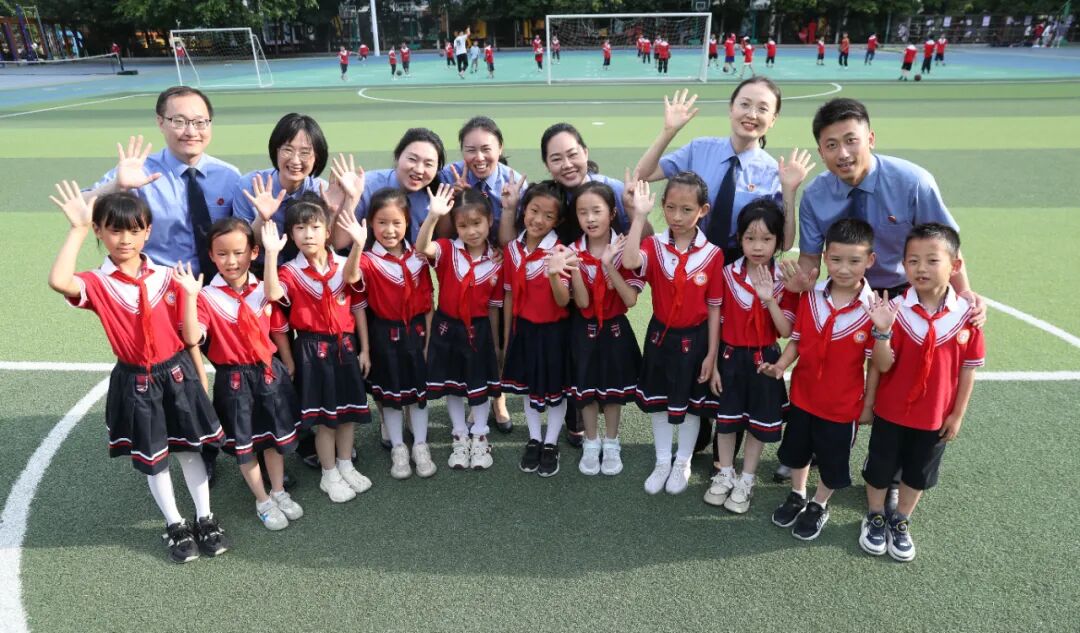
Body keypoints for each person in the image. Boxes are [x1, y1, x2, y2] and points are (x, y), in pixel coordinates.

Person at [792, 97, 986, 504]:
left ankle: (890, 467)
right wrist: (801, 280)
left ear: (871, 138)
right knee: (834, 370)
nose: (843, 153)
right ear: (821, 151)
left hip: (902, 292)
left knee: (898, 377)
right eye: (831, 145)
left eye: (851, 140)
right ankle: (818, 443)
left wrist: (963, 293)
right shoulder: (815, 195)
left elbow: (945, 244)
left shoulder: (912, 181)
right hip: (847, 291)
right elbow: (810, 256)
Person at [47, 184, 227, 563]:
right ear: (99, 231)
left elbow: (189, 334)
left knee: (190, 451)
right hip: (137, 380)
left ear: (148, 231)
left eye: (134, 230)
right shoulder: (99, 283)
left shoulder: (168, 276)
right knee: (155, 458)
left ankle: (205, 517)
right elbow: (60, 281)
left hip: (177, 375)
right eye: (114, 230)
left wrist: (198, 371)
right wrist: (77, 228)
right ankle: (175, 523)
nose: (125, 239)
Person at [84, 86, 241, 485]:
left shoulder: (228, 176)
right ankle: (200, 448)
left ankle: (247, 442)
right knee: (185, 382)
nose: (191, 130)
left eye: (200, 121)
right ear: (160, 122)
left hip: (220, 292)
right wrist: (116, 187)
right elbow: (82, 208)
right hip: (165, 297)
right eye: (179, 120)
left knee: (237, 370)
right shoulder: (138, 173)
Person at [857, 223, 984, 562]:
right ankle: (875, 515)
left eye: (932, 260)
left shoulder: (967, 316)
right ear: (903, 265)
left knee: (918, 473)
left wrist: (957, 414)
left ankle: (901, 520)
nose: (921, 268)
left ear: (955, 266)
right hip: (891, 411)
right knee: (880, 467)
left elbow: (968, 368)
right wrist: (883, 333)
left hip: (934, 417)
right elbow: (881, 365)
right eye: (912, 261)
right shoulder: (895, 310)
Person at [177, 218, 304, 531]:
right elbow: (192, 337)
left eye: (238, 252)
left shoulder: (263, 288)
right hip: (234, 381)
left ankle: (278, 490)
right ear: (211, 255)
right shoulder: (206, 297)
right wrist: (190, 297)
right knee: (245, 447)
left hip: (268, 374)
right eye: (221, 254)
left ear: (253, 252)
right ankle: (262, 500)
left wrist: (272, 254)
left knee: (274, 440)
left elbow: (276, 306)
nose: (231, 261)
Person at [761, 218, 884, 540]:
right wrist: (781, 366)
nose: (843, 268)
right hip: (803, 397)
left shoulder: (874, 309)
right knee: (798, 452)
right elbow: (798, 340)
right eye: (836, 259)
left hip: (842, 407)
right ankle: (798, 494)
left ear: (870, 260)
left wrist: (868, 404)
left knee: (832, 461)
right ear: (825, 257)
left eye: (854, 261)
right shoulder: (811, 296)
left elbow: (876, 365)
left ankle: (819, 503)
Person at [262, 191, 372, 504]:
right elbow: (272, 294)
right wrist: (271, 254)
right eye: (300, 228)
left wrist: (365, 349)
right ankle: (329, 473)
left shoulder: (344, 265)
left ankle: (346, 464)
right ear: (291, 234)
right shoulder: (289, 271)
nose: (308, 234)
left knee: (347, 413)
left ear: (328, 231)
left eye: (314, 227)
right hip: (312, 350)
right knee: (325, 420)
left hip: (345, 346)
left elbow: (354, 288)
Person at [634, 81, 814, 265]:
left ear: (773, 119)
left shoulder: (774, 173)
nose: (752, 114)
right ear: (731, 108)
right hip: (690, 261)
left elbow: (784, 242)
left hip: (740, 268)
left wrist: (789, 190)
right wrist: (669, 131)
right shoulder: (699, 149)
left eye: (762, 109)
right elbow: (644, 174)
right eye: (745, 104)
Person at [621, 173, 723, 495]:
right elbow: (629, 260)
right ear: (662, 205)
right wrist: (639, 216)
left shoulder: (713, 254)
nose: (677, 217)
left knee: (692, 407)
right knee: (659, 403)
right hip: (660, 338)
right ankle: (663, 460)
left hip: (697, 341)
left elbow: (715, 309)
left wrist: (711, 355)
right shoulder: (654, 244)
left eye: (687, 209)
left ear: (703, 210)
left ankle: (683, 462)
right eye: (670, 208)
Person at [705, 199, 797, 514]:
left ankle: (746, 479)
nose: (758, 247)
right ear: (739, 239)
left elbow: (785, 330)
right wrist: (714, 363)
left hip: (765, 361)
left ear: (778, 241)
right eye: (750, 238)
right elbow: (717, 321)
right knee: (726, 422)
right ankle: (725, 472)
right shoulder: (727, 273)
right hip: (729, 357)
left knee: (758, 424)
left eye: (766, 239)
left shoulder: (784, 280)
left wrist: (769, 299)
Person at [440, 116, 525, 431]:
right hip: (463, 267)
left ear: (500, 148)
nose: (478, 157)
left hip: (501, 269)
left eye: (486, 148)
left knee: (497, 338)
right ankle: (471, 395)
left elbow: (514, 241)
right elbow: (444, 234)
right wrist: (457, 201)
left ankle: (497, 396)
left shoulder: (516, 183)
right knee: (466, 336)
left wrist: (509, 208)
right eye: (470, 149)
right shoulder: (449, 177)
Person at [415, 188, 504, 470]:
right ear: (455, 226)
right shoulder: (446, 249)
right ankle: (459, 435)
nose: (471, 231)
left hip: (479, 330)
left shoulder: (497, 260)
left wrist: (496, 344)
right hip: (446, 328)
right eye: (463, 226)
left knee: (478, 385)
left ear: (490, 220)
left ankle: (480, 436)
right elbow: (421, 248)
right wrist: (433, 216)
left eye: (477, 223)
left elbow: (494, 307)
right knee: (452, 385)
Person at [356, 188, 438, 480]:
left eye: (396, 223)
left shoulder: (419, 258)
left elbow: (428, 302)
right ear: (370, 223)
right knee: (390, 396)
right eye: (381, 222)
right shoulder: (366, 261)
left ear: (407, 222)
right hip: (384, 336)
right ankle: (399, 447)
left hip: (416, 334)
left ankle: (421, 445)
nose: (389, 230)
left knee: (418, 394)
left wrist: (429, 342)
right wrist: (366, 349)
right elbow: (354, 286)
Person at [566, 182, 643, 476]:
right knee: (585, 390)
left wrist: (609, 265)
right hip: (583, 329)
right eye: (582, 212)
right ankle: (591, 441)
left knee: (613, 392)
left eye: (597, 211)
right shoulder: (572, 252)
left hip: (614, 329)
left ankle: (611, 442)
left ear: (611, 213)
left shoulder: (625, 249)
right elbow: (582, 303)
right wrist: (575, 269)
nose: (590, 218)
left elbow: (630, 300)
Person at [501, 181, 576, 477]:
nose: (538, 219)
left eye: (548, 215)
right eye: (534, 210)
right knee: (528, 387)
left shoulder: (561, 251)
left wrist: (555, 272)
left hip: (554, 332)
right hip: (524, 330)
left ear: (557, 221)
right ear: (524, 210)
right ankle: (534, 438)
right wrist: (508, 336)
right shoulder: (512, 249)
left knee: (556, 389)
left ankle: (551, 442)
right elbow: (509, 295)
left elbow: (563, 300)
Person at [232, 112, 329, 265]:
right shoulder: (249, 186)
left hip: (306, 271)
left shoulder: (322, 191)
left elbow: (331, 243)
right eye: (288, 150)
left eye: (305, 153)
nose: (295, 160)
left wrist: (338, 208)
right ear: (275, 150)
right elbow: (241, 246)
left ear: (317, 157)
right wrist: (262, 218)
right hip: (260, 269)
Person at [339, 127, 447, 246]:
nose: (419, 170)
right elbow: (340, 243)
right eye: (412, 159)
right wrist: (351, 199)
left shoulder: (438, 195)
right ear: (397, 156)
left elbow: (444, 244)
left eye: (428, 164)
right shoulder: (365, 186)